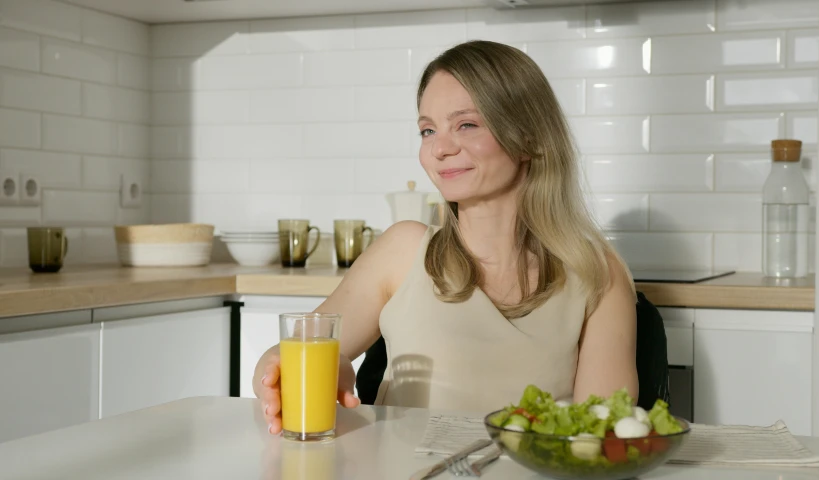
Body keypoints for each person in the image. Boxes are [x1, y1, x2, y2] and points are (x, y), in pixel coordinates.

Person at [254, 40, 638, 435]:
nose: (439, 148)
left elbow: (602, 435)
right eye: (427, 130)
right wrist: (282, 375)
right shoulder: (403, 251)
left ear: (530, 138)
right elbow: (281, 358)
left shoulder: (597, 274)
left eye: (466, 125)